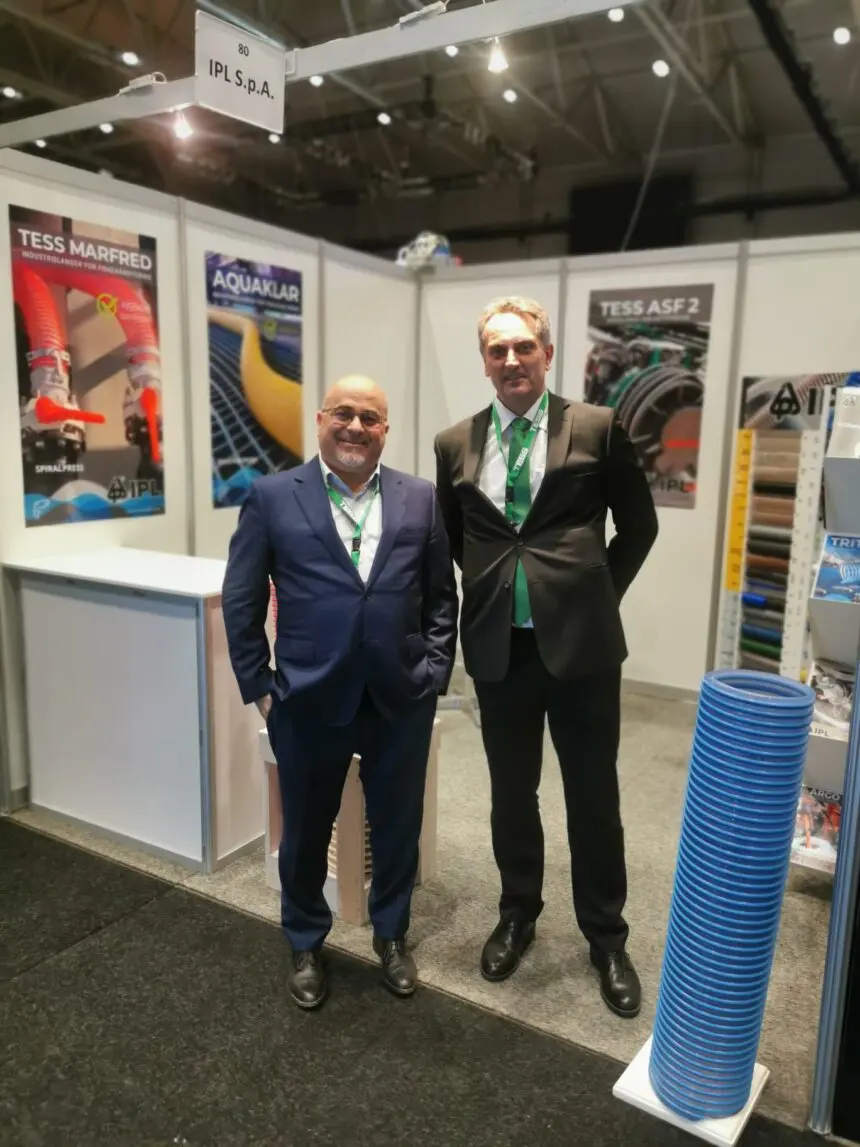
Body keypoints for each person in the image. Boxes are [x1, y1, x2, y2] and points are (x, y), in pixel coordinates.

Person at [433, 298, 658, 1019]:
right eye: (497, 350)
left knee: (594, 796)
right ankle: (518, 913)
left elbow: (639, 525)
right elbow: (454, 540)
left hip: (583, 649)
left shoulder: (595, 426)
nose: (511, 360)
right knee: (511, 793)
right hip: (501, 648)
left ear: (547, 353)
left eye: (524, 347)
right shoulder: (454, 443)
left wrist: (596, 594)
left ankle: (606, 937)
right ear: (484, 361)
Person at [223, 376, 458, 1011]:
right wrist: (261, 688)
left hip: (399, 696)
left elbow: (441, 596)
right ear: (321, 419)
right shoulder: (273, 497)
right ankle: (304, 940)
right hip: (307, 697)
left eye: (370, 418)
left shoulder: (420, 497)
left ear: (386, 430)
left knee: (398, 826)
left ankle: (392, 933)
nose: (356, 427)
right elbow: (242, 600)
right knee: (304, 830)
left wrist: (434, 672)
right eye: (344, 414)